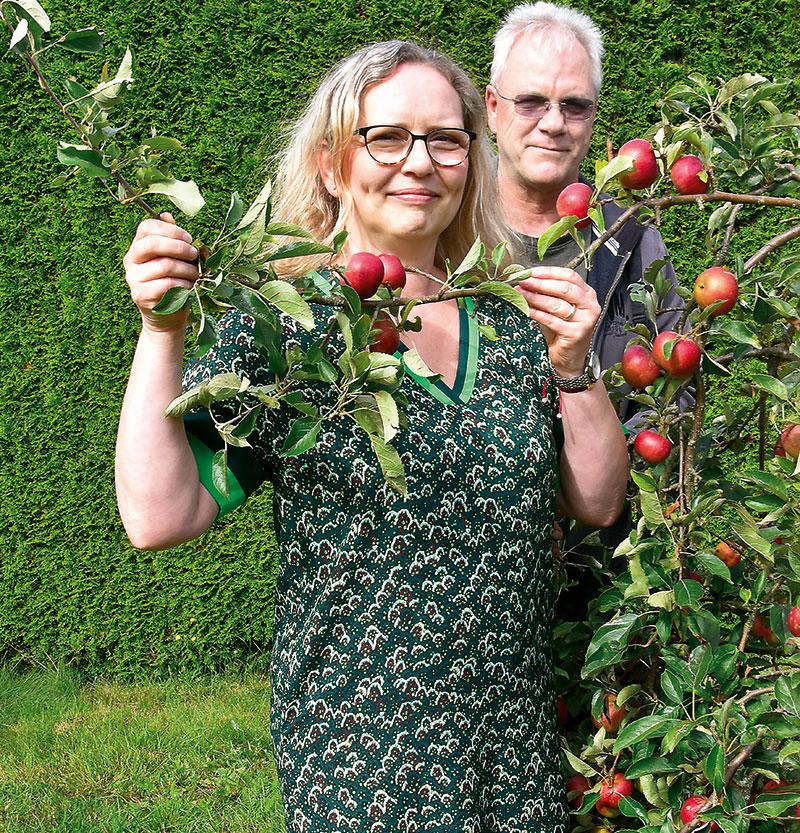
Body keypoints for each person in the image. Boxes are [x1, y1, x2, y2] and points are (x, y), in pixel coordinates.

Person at [116, 40, 628, 832]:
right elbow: (159, 515)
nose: (419, 162)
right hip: (362, 757)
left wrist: (573, 364)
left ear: (470, 157)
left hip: (513, 748)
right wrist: (162, 330)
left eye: (446, 139)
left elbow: (595, 500)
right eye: (386, 136)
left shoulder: (509, 319)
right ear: (331, 163)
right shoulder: (290, 329)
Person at [486, 2, 688, 619]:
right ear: (493, 108)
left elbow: (673, 398)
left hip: (602, 580)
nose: (553, 123)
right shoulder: (450, 234)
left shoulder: (631, 241)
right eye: (531, 102)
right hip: (475, 576)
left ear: (593, 117)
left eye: (573, 105)